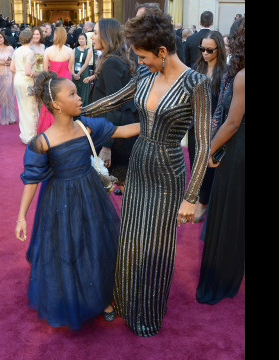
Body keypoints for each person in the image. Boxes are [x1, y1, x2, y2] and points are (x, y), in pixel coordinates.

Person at [81, 8, 211, 337]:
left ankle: (147, 314)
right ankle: (126, 303)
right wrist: (76, 112)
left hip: (167, 171)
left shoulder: (197, 84)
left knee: (155, 246)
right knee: (131, 238)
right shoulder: (145, 76)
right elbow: (112, 99)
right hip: (139, 161)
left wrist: (191, 197)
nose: (140, 62)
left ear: (163, 52)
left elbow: (204, 144)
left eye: (143, 56)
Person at [15, 71, 141, 330]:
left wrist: (156, 122)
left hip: (90, 195)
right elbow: (31, 179)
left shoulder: (86, 126)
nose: (80, 97)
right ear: (57, 104)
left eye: (77, 91)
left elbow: (122, 130)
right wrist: (21, 217)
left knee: (96, 246)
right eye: (72, 94)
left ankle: (104, 298)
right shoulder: (42, 142)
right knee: (68, 249)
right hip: (59, 202)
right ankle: (71, 297)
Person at [195, 17, 245, 305]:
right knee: (235, 219)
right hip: (238, 151)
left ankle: (221, 281)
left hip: (236, 154)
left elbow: (232, 123)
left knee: (227, 218)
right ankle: (229, 278)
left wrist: (207, 151)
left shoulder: (241, 76)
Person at [81, 18, 139, 196]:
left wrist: (107, 146)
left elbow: (115, 105)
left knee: (124, 183)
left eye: (96, 33)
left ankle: (135, 222)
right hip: (116, 130)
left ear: (107, 35)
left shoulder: (111, 63)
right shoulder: (114, 59)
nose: (92, 37)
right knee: (122, 182)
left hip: (116, 134)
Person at [190, 31, 227, 221]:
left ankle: (203, 201)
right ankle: (196, 197)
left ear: (218, 49)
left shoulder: (225, 72)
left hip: (213, 127)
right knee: (195, 162)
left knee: (208, 164)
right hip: (194, 125)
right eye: (202, 48)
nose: (205, 53)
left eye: (209, 49)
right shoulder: (195, 67)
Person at [36, 26, 74, 133]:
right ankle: (65, 131)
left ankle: (49, 130)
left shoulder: (48, 50)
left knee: (50, 106)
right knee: (65, 106)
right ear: (65, 36)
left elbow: (44, 71)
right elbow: (70, 69)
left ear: (55, 35)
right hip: (65, 81)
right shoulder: (70, 51)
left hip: (52, 81)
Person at [10, 29, 40, 144]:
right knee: (31, 108)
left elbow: (12, 69)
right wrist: (39, 74)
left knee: (22, 108)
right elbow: (28, 72)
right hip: (26, 82)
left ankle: (25, 135)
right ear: (31, 38)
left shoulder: (16, 51)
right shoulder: (29, 52)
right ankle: (31, 136)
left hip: (17, 80)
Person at [0, 31, 18, 125]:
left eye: (0, 37)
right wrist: (1, 63)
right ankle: (4, 117)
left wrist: (9, 63)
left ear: (4, 38)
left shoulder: (10, 48)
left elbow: (15, 61)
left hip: (9, 73)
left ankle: (12, 117)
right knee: (1, 96)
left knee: (9, 94)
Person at [72, 33, 92, 106]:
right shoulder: (75, 49)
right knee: (75, 92)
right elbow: (72, 63)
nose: (81, 40)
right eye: (79, 39)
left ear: (86, 40)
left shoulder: (89, 50)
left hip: (83, 74)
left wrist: (79, 74)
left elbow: (86, 63)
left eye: (82, 39)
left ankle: (83, 111)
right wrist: (73, 73)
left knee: (84, 93)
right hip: (75, 73)